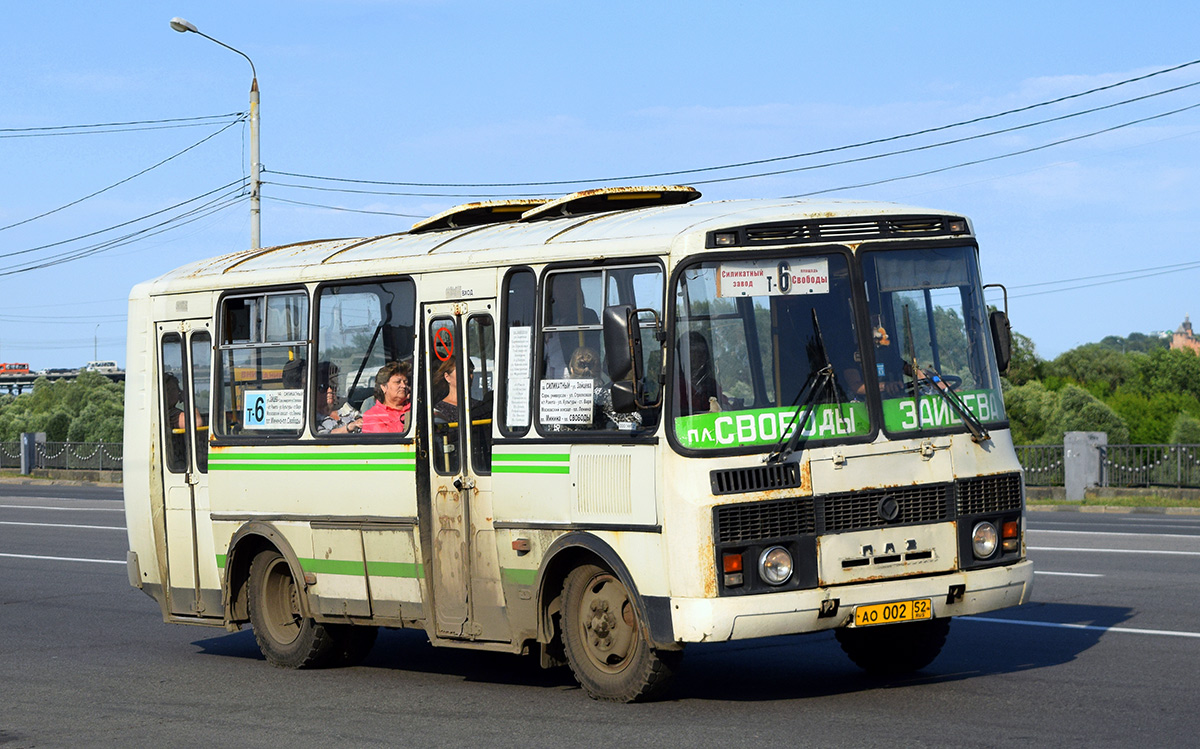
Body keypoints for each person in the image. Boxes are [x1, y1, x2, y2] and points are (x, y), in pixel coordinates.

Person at [677, 331, 727, 416]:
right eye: (693, 351)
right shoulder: (674, 387)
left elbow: (723, 405)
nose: (699, 356)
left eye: (702, 352)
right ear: (682, 356)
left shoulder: (711, 384)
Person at [361, 361, 412, 433]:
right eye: (398, 382)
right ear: (384, 387)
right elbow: (389, 441)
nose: (404, 386)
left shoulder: (416, 407)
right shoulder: (372, 416)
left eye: (406, 383)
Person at [315, 362, 362, 434]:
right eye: (323, 387)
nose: (330, 391)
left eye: (333, 386)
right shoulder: (311, 419)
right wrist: (349, 427)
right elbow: (323, 437)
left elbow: (362, 420)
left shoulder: (346, 407)